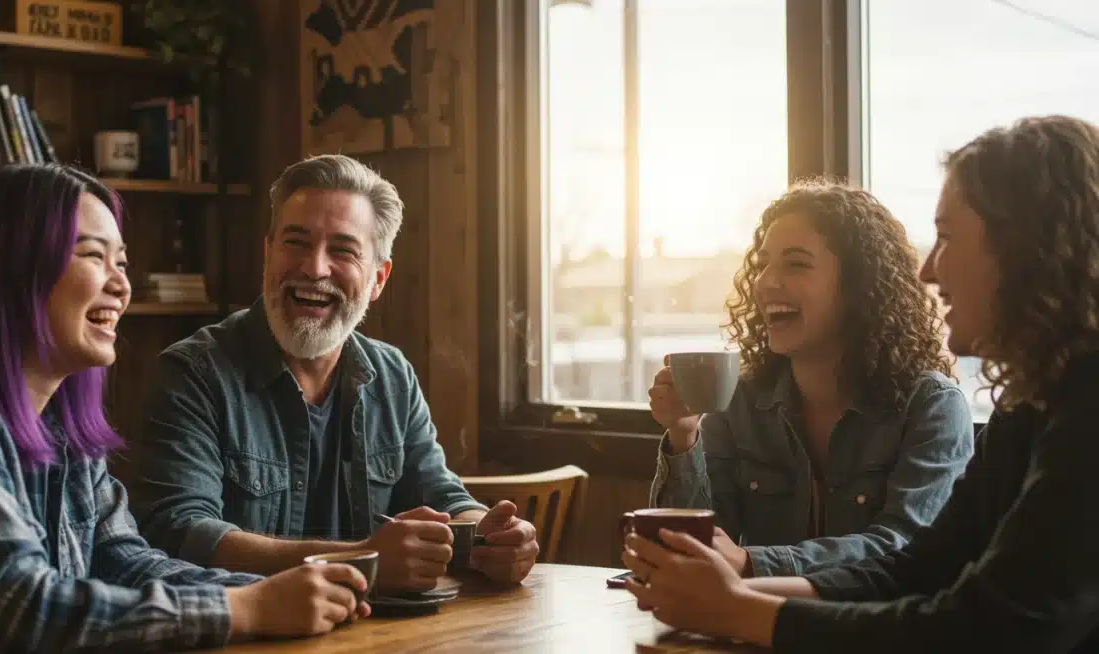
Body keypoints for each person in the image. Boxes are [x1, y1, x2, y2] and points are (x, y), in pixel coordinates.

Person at [622, 115, 1099, 652]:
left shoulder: (1085, 411)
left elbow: (988, 628)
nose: (927, 272)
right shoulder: (1029, 406)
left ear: (1026, 248)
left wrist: (742, 607)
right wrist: (729, 596)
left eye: (945, 238)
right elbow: (918, 569)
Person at [0, 165, 374, 653]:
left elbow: (125, 561)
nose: (121, 286)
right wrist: (248, 608)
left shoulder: (61, 429)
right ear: (9, 269)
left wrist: (281, 594)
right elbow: (16, 604)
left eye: (121, 262)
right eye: (93, 255)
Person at [129, 154, 538, 592]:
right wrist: (363, 559)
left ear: (378, 279)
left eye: (342, 250)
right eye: (296, 242)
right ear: (268, 254)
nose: (314, 268)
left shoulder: (392, 376)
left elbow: (442, 496)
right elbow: (180, 533)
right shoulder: (192, 373)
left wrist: (491, 535)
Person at [647, 179, 975, 576]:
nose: (765, 282)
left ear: (858, 284)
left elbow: (903, 548)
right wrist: (684, 435)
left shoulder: (932, 406)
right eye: (763, 264)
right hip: (755, 613)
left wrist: (753, 563)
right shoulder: (742, 400)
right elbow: (695, 547)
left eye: (796, 264)